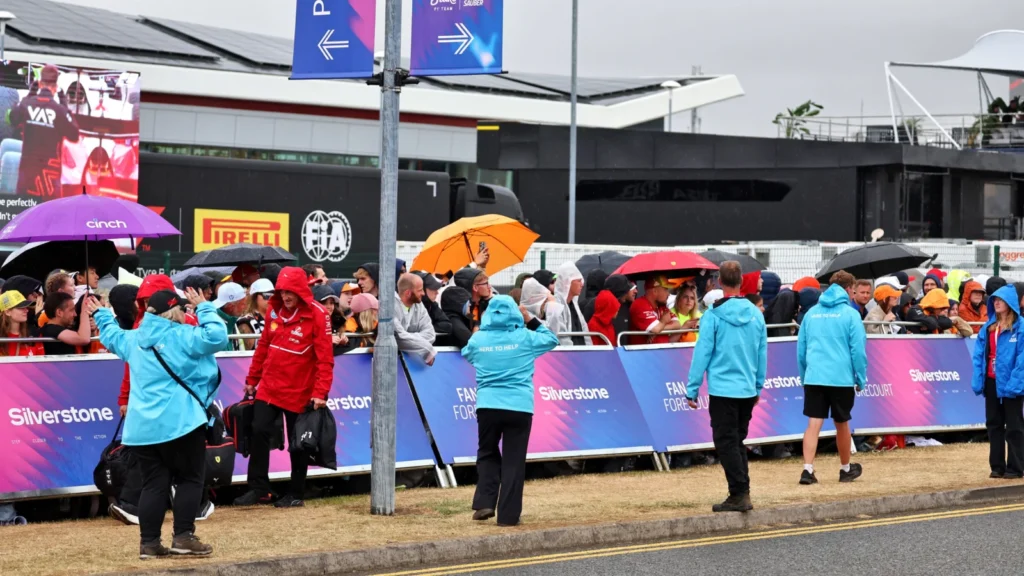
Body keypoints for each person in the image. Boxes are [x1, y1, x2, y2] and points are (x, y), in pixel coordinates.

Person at [91, 288, 224, 558]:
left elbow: (111, 335)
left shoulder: (134, 338)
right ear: (174, 311)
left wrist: (102, 314)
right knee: (189, 479)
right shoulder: (184, 336)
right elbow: (218, 337)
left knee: (154, 485)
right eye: (184, 309)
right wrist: (205, 308)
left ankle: (149, 544)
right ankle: (183, 538)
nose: (188, 313)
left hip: (142, 430)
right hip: (182, 423)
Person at [234, 267, 334, 508]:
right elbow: (264, 346)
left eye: (290, 292)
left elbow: (325, 358)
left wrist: (320, 392)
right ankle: (259, 489)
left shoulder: (319, 314)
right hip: (269, 386)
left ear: (301, 290)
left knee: (297, 442)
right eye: (282, 291)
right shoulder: (274, 310)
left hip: (300, 389)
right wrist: (252, 379)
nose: (286, 296)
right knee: (258, 432)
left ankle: (296, 492)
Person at [463, 295, 559, 527]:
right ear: (515, 314)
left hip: (488, 405)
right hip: (519, 406)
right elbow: (551, 339)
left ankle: (485, 501)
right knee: (514, 461)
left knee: (487, 452)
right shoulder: (525, 337)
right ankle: (508, 516)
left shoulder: (478, 339)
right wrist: (529, 319)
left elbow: (468, 354)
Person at [685, 261, 767, 513]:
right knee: (737, 440)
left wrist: (692, 387)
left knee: (726, 441)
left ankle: (739, 492)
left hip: (723, 389)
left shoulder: (712, 315)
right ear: (741, 282)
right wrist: (757, 385)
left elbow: (703, 353)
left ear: (720, 282)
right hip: (746, 388)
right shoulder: (755, 313)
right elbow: (762, 351)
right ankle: (742, 490)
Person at [796, 271, 867, 485]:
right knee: (842, 423)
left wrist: (804, 376)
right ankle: (845, 468)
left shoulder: (811, 313)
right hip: (841, 377)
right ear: (848, 289)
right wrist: (860, 377)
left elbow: (801, 349)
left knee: (813, 424)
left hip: (815, 375)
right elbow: (858, 350)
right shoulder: (851, 314)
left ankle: (807, 469)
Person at [971, 285, 1024, 479]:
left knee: (1014, 425)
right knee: (993, 424)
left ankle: (1016, 467)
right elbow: (979, 355)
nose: (996, 302)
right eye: (994, 300)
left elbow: (1022, 359)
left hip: (1012, 383)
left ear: (1010, 303)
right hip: (992, 382)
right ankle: (997, 466)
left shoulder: (1021, 327)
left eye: (1000, 299)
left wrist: (1015, 384)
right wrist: (979, 379)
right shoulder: (988, 328)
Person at [9, 64, 81, 196]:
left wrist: (30, 95)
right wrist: (64, 104)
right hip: (49, 183)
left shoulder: (27, 104)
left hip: (27, 178)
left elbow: (13, 118)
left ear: (40, 84)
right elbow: (74, 135)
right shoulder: (59, 111)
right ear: (55, 88)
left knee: (24, 213)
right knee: (49, 215)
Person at [395, 273, 437, 364]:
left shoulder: (419, 305)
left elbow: (430, 334)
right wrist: (427, 349)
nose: (423, 293)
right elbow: (398, 337)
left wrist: (408, 337)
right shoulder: (390, 306)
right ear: (408, 293)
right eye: (420, 290)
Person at [628, 276, 682, 345]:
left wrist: (660, 328)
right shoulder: (639, 304)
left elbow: (677, 324)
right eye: (665, 289)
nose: (668, 294)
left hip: (662, 352)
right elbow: (656, 328)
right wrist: (663, 322)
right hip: (643, 353)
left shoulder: (662, 306)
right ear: (655, 291)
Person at [554, 263, 589, 346]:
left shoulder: (574, 305)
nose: (582, 284)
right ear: (567, 282)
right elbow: (562, 337)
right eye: (578, 281)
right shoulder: (556, 305)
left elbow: (585, 333)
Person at [0, 291, 44, 357]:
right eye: (20, 307)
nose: (26, 310)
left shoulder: (34, 333)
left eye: (26, 306)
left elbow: (41, 363)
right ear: (7, 312)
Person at [236, 278, 275, 351]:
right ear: (254, 297)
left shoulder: (279, 318)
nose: (270, 299)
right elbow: (246, 354)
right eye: (266, 295)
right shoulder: (246, 321)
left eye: (273, 295)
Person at [414, 271, 452, 339]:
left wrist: (427, 328)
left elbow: (447, 325)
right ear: (423, 289)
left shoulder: (432, 305)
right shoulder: (411, 306)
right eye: (433, 288)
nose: (437, 292)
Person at [211, 282, 247, 351]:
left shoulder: (231, 321)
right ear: (231, 306)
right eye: (243, 304)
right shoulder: (215, 325)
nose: (245, 307)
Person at [604, 274, 634, 341]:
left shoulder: (625, 306)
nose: (627, 293)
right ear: (619, 291)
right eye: (625, 291)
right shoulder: (596, 305)